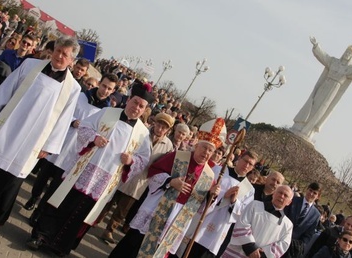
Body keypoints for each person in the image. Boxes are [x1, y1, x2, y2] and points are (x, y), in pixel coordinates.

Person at [0, 36, 81, 233]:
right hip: (7, 127)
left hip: (31, 140)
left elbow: (63, 120)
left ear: (72, 61)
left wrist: (48, 146)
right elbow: (7, 88)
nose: (59, 56)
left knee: (6, 180)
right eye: (58, 50)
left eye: (65, 54)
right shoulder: (30, 65)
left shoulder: (73, 88)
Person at [28, 82, 154, 256]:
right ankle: (40, 236)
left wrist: (131, 159)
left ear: (145, 110)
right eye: (135, 102)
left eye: (141, 106)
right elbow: (85, 126)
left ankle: (60, 246)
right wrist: (94, 138)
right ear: (129, 99)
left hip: (104, 181)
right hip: (82, 170)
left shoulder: (143, 133)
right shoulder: (107, 112)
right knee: (62, 203)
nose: (136, 107)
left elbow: (144, 159)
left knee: (81, 214)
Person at [110, 118, 226, 258]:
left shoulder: (209, 176)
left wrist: (211, 196)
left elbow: (202, 208)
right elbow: (153, 172)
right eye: (204, 148)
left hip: (176, 220)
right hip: (157, 208)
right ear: (196, 146)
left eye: (210, 150)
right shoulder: (178, 156)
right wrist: (170, 181)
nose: (207, 152)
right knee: (133, 245)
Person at [23, 73, 118, 212]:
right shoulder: (81, 97)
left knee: (56, 185)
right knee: (43, 175)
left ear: (113, 91)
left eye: (109, 89)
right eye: (104, 86)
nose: (105, 90)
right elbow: (64, 112)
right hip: (63, 139)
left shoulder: (108, 112)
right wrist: (73, 121)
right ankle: (34, 197)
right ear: (99, 83)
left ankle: (40, 211)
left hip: (77, 150)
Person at [99, 112, 175, 244]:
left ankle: (109, 230)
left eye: (164, 127)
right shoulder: (142, 133)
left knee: (123, 209)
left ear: (168, 130)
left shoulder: (168, 145)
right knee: (107, 200)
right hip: (126, 171)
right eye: (159, 124)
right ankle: (95, 219)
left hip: (141, 181)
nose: (160, 129)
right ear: (154, 123)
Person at [291, 36, 352, 140]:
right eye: (346, 52)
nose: (347, 55)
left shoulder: (349, 69)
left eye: (349, 54)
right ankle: (300, 125)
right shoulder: (334, 61)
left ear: (351, 57)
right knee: (313, 104)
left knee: (321, 110)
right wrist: (316, 45)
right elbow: (323, 56)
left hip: (332, 92)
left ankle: (308, 131)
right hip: (324, 86)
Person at [177, 150, 258, 258]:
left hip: (219, 230)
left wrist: (234, 201)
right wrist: (222, 195)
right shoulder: (219, 171)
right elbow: (201, 189)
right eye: (245, 161)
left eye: (250, 164)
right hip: (202, 219)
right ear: (239, 159)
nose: (246, 165)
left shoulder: (249, 189)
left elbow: (243, 214)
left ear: (252, 168)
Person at [222, 185, 294, 258]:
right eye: (280, 192)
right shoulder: (255, 205)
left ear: (289, 202)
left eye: (285, 195)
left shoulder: (287, 225)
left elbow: (282, 245)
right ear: (274, 194)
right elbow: (242, 224)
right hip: (236, 253)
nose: (281, 196)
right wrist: (251, 248)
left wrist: (261, 255)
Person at [283, 182, 322, 258]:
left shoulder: (316, 215)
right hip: (278, 237)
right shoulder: (293, 200)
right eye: (310, 190)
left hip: (292, 249)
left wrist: (299, 245)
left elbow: (309, 234)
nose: (311, 194)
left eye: (314, 193)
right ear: (307, 189)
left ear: (318, 196)